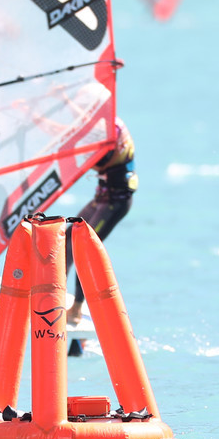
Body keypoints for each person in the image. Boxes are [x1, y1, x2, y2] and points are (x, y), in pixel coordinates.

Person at [65, 117, 137, 328]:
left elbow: (97, 161)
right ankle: (56, 293)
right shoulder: (103, 126)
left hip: (116, 201)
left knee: (83, 249)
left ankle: (77, 308)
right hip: (101, 199)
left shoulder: (114, 131)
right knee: (66, 239)